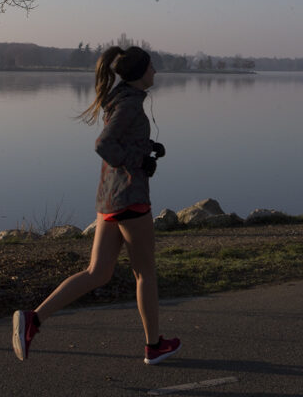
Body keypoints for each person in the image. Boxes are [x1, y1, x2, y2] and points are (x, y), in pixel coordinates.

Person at [12, 45, 181, 365]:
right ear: (139, 73)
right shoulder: (130, 104)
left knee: (97, 273)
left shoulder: (121, 100)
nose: (155, 72)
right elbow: (104, 144)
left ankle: (32, 319)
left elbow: (119, 140)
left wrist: (147, 147)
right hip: (130, 198)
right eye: (151, 67)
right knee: (146, 273)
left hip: (110, 199)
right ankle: (154, 346)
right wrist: (139, 162)